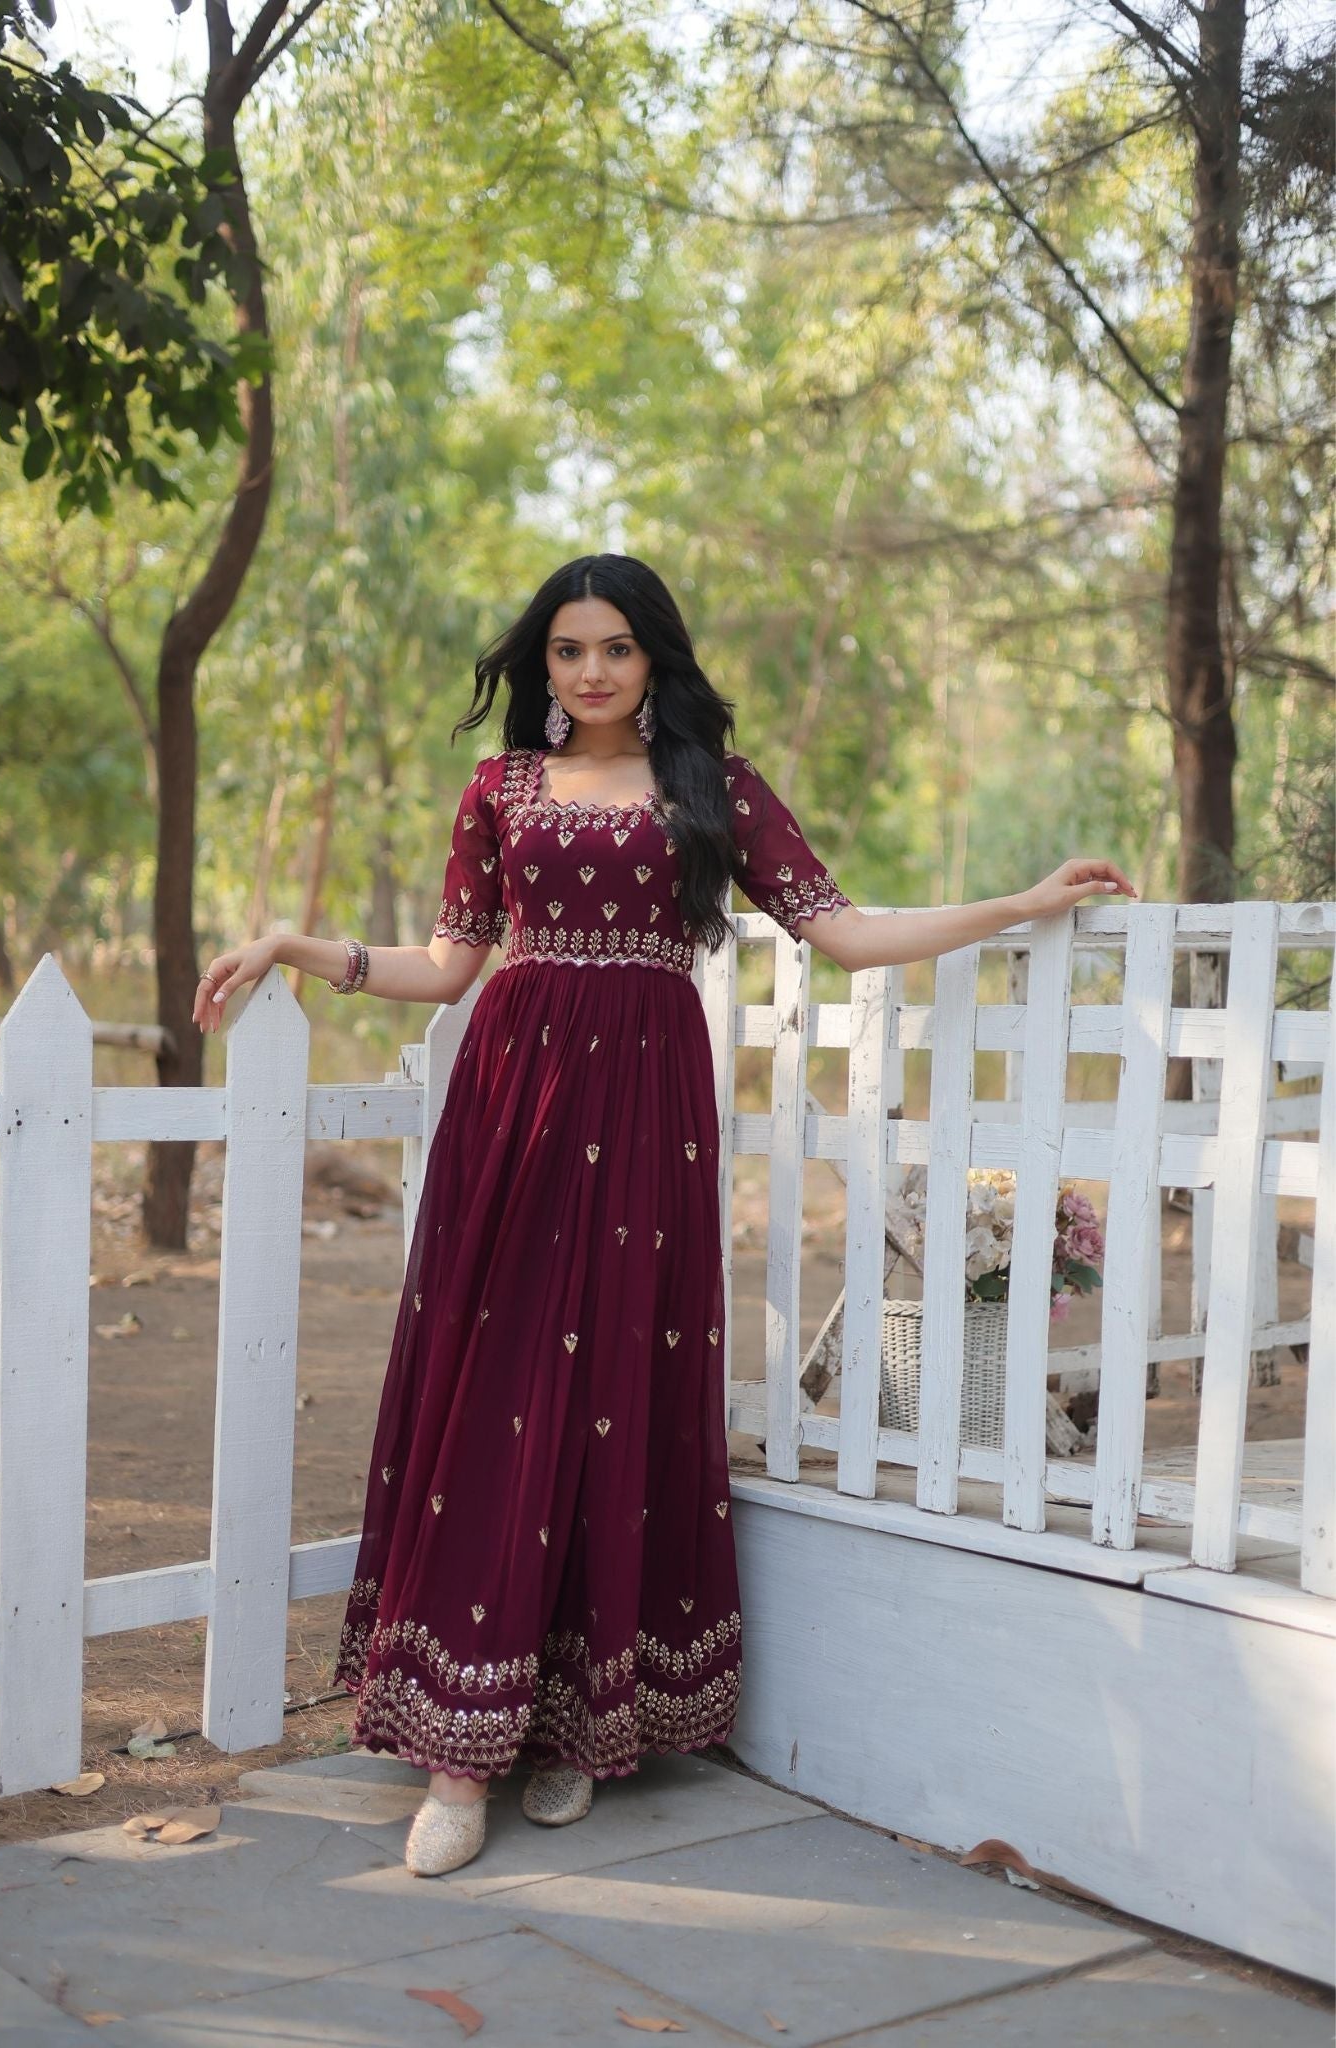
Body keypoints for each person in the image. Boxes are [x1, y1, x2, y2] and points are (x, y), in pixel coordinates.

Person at [192, 552, 1135, 1877]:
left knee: (614, 1390)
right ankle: (462, 1761)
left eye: (615, 649)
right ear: (542, 664)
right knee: (498, 1384)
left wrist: (1023, 904)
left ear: (653, 661)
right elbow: (450, 962)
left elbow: (843, 930)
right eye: (567, 649)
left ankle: (587, 1729)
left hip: (644, 1108)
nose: (588, 671)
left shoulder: (712, 792)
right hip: (512, 1107)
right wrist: (301, 946)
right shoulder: (499, 788)